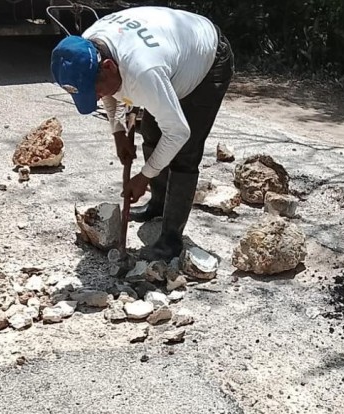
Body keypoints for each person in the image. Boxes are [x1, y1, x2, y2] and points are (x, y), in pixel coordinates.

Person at [51, 7, 234, 260]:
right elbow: (109, 92)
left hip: (207, 59)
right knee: (151, 131)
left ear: (109, 66)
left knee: (184, 152)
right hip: (169, 57)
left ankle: (171, 239)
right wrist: (118, 133)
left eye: (94, 91)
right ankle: (158, 205)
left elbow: (178, 132)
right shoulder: (90, 44)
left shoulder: (144, 71)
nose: (97, 97)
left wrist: (144, 176)